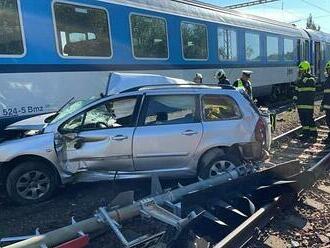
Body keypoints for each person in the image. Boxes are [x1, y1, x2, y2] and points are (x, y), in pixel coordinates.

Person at [294, 61, 317, 140]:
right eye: (300, 71)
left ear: (306, 70)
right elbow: (296, 92)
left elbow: (312, 85)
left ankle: (312, 134)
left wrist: (305, 79)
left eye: (302, 71)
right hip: (300, 105)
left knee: (309, 119)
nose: (300, 72)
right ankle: (307, 133)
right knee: (303, 120)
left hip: (307, 104)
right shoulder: (300, 81)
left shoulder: (311, 79)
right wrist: (294, 101)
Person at [320, 61, 330, 142]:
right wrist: (322, 104)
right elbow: (325, 94)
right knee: (328, 121)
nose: (328, 71)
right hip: (328, 106)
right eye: (328, 70)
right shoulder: (327, 81)